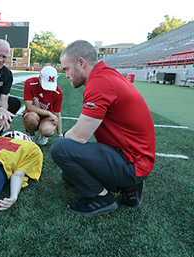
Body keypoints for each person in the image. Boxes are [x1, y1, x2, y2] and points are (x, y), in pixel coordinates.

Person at [50, 40, 156, 216]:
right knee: (68, 174)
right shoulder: (108, 75)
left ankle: (101, 198)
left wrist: (64, 137)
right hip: (133, 156)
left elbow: (81, 135)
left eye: (67, 69)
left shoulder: (100, 82)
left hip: (132, 162)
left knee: (60, 148)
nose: (66, 75)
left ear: (81, 63)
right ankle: (129, 187)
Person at [23, 66, 63, 145]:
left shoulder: (58, 92)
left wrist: (60, 135)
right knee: (31, 117)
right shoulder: (30, 83)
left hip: (46, 119)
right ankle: (32, 136)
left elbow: (57, 114)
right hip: (34, 115)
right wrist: (48, 113)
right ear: (39, 78)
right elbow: (29, 107)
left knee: (47, 130)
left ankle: (44, 135)